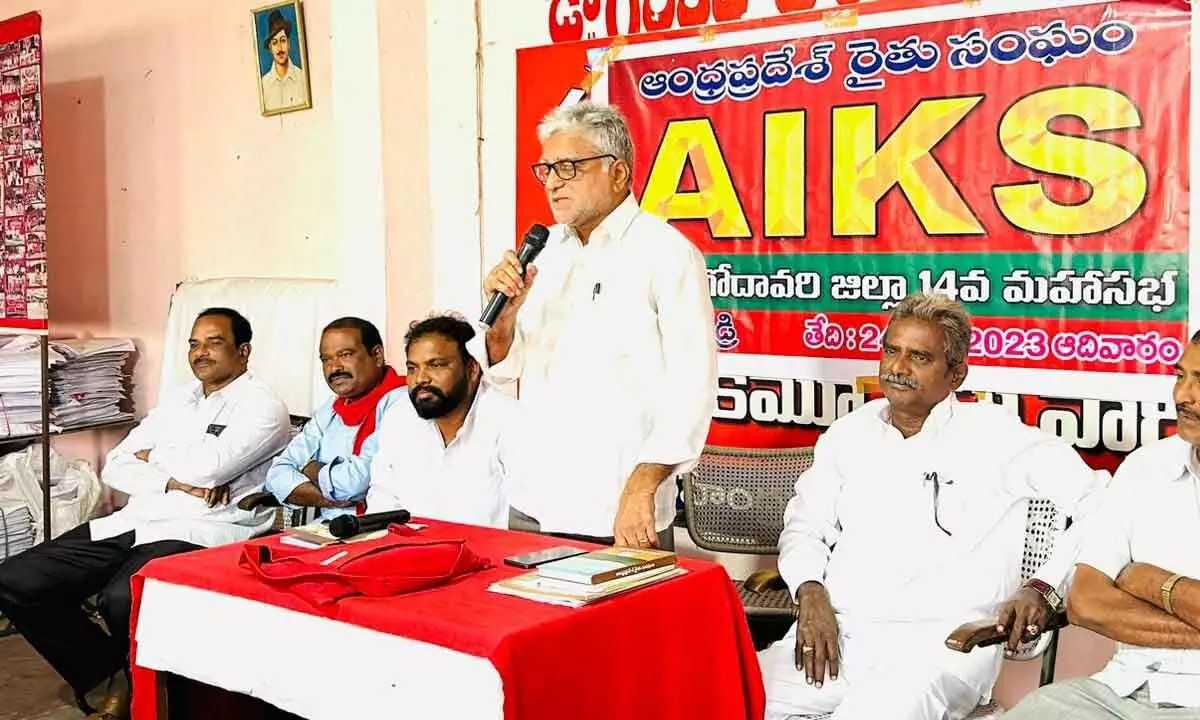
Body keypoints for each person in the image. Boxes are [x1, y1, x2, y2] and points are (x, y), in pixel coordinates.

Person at [758, 293, 1108, 720]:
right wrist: (809, 590)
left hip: (938, 650)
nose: (897, 369)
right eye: (891, 350)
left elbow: (1099, 501)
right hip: (841, 637)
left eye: (919, 357)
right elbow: (805, 524)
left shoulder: (997, 437)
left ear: (956, 374)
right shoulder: (849, 434)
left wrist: (1043, 586)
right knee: (728, 693)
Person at [0, 307, 289, 720]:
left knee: (123, 597)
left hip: (204, 525)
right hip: (138, 517)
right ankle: (109, 675)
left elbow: (209, 469)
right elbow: (115, 466)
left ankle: (144, 697)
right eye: (193, 343)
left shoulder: (263, 407)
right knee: (17, 579)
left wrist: (153, 456)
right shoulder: (180, 399)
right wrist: (172, 480)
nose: (200, 352)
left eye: (214, 342)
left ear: (243, 351)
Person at [482, 100, 716, 550]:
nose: (552, 182)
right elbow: (505, 374)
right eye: (546, 169)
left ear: (619, 174)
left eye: (568, 167)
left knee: (624, 623)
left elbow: (693, 385)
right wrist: (503, 324)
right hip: (533, 500)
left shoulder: (666, 254)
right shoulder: (544, 251)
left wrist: (644, 485)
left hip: (619, 507)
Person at [1003, 332, 1200, 719]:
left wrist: (1145, 580)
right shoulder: (1146, 468)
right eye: (1181, 376)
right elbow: (1086, 603)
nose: (1182, 396)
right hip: (1119, 690)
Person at [367, 313, 513, 528]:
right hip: (409, 553)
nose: (421, 379)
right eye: (412, 368)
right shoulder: (399, 417)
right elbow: (382, 502)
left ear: (472, 369)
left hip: (487, 556)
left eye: (436, 365)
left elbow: (529, 518)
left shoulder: (504, 417)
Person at [258, 317, 405, 518]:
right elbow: (276, 475)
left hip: (377, 531)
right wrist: (333, 499)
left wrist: (311, 468)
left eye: (345, 355)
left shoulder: (401, 402)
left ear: (377, 355)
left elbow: (355, 483)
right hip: (326, 528)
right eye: (326, 359)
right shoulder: (331, 408)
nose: (334, 368)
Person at [259, 9, 307, 113]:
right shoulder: (264, 85)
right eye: (275, 43)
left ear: (289, 43)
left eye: (283, 40)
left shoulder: (302, 78)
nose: (280, 48)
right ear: (270, 48)